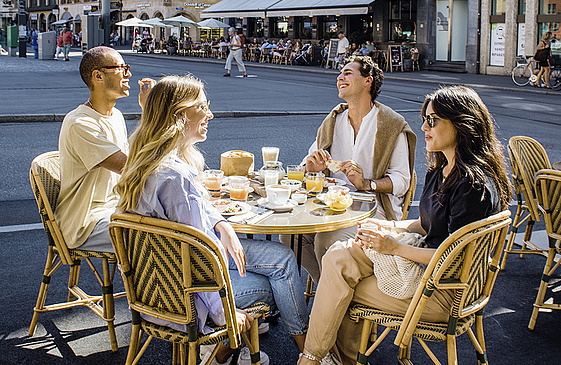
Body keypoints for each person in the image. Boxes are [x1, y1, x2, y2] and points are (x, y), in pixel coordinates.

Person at [297, 85, 512, 365]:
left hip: (442, 292)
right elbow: (426, 225)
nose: (423, 125)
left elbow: (454, 257)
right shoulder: (443, 170)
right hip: (427, 273)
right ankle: (326, 358)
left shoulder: (472, 186)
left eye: (433, 120)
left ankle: (314, 359)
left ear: (462, 124)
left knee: (338, 287)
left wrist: (394, 247)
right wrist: (389, 229)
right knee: (339, 255)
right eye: (425, 118)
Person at [114, 75, 309, 365]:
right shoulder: (176, 178)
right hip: (185, 292)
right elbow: (196, 259)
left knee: (281, 259)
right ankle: (295, 353)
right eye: (203, 107)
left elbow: (198, 213)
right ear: (181, 115)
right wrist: (223, 315)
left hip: (154, 285)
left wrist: (222, 224)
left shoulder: (152, 162)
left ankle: (304, 351)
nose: (210, 114)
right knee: (277, 287)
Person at [281, 55, 416, 282]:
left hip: (373, 208)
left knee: (325, 240)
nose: (340, 77)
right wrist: (311, 167)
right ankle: (331, 287)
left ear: (368, 81)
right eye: (340, 73)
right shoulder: (333, 121)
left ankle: (334, 296)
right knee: (291, 237)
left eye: (348, 73)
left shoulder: (392, 125)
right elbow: (308, 163)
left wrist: (367, 183)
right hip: (330, 204)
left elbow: (402, 181)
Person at [54, 46, 154, 253]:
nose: (129, 74)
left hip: (115, 207)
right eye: (121, 68)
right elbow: (129, 167)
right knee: (162, 237)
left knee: (174, 224)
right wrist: (153, 113)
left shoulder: (115, 115)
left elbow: (134, 160)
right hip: (86, 222)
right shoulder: (80, 123)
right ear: (98, 76)